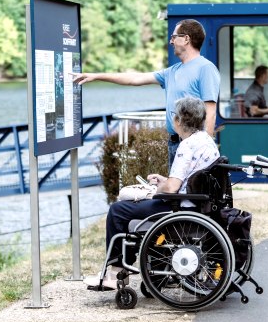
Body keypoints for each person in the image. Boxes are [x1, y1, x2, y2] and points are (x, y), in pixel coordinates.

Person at [84, 96, 220, 289]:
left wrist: (157, 189)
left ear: (179, 121)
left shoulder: (187, 146)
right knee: (130, 210)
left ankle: (115, 273)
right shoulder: (206, 140)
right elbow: (187, 180)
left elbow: (172, 189)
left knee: (118, 210)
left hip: (179, 208)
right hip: (196, 203)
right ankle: (124, 266)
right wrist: (166, 181)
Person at [71, 19, 220, 167]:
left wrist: (203, 150)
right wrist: (96, 76)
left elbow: (211, 112)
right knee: (176, 190)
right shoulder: (172, 71)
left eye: (174, 37)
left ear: (186, 39)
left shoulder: (206, 68)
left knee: (194, 190)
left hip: (194, 146)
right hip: (174, 143)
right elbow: (135, 78)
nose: (171, 41)